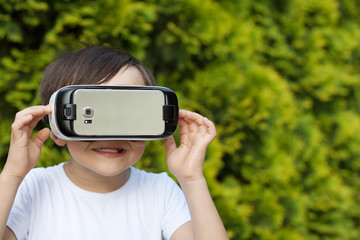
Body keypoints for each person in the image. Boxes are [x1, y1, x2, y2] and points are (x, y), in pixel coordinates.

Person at [0, 46, 229, 240]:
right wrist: (11, 175)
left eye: (129, 114)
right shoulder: (31, 187)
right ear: (58, 128)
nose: (111, 134)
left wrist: (191, 179)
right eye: (92, 115)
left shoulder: (161, 191)